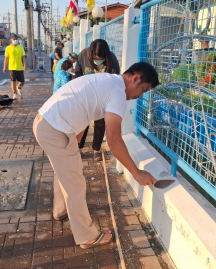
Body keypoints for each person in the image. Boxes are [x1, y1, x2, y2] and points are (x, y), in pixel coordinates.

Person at [33, 62, 159, 248]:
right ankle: (86, 237)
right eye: (144, 90)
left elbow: (84, 105)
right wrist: (136, 173)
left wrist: (76, 138)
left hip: (45, 122)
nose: (139, 96)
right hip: (55, 129)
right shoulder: (117, 93)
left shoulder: (107, 80)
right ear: (136, 79)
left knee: (65, 174)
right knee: (75, 184)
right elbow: (114, 140)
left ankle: (60, 210)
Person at [75, 39, 120, 161]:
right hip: (85, 96)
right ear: (91, 52)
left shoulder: (112, 59)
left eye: (101, 58)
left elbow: (116, 79)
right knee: (82, 123)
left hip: (102, 98)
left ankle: (96, 149)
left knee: (100, 124)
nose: (97, 59)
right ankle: (78, 148)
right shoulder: (83, 55)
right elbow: (77, 74)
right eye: (95, 56)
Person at [3, 34, 26, 100]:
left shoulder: (20, 47)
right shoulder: (8, 48)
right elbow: (6, 58)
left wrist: (25, 65)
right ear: (10, 39)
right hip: (12, 67)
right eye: (14, 39)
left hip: (19, 67)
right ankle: (14, 93)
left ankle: (18, 87)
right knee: (13, 81)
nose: (15, 40)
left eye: (16, 39)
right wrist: (4, 67)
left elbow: (23, 57)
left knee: (22, 81)